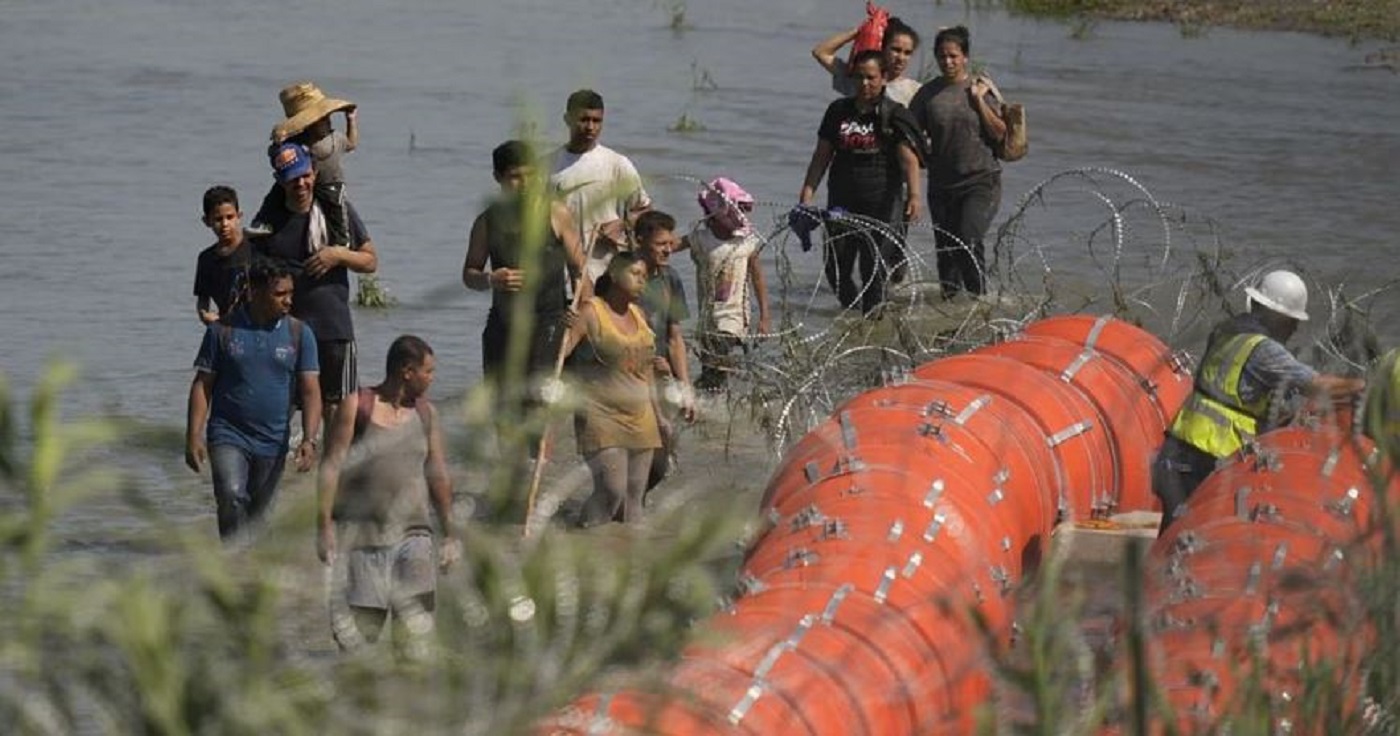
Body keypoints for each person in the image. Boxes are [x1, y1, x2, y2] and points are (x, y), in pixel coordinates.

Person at [1153, 270, 1365, 534]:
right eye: (1291, 320)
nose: (1296, 327)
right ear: (1277, 316)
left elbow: (1236, 394)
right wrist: (1367, 387)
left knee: (1174, 544)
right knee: (1192, 542)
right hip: (1200, 461)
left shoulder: (1227, 331)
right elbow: (1318, 386)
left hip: (1177, 453)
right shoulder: (1264, 351)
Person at [316, 335, 461, 657]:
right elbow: (331, 466)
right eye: (428, 371)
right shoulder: (357, 406)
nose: (432, 378)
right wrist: (324, 525)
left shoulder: (427, 415)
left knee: (414, 639)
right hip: (364, 538)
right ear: (407, 371)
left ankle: (409, 700)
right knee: (358, 641)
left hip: (415, 536)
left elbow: (438, 473)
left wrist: (450, 534)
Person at [185, 259, 321, 540]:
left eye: (290, 293)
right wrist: (193, 435)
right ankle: (233, 562)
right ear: (255, 292)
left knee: (260, 520)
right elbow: (202, 385)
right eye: (279, 294)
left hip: (273, 440)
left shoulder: (299, 334)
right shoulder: (222, 331)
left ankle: (247, 575)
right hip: (227, 434)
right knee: (232, 496)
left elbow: (310, 391)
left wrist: (309, 438)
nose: (288, 301)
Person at [253, 141, 379, 428]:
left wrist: (337, 254)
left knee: (337, 409)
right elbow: (253, 277)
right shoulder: (268, 221)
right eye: (292, 178)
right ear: (279, 181)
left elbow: (370, 261)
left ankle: (330, 470)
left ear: (313, 170)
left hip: (334, 328)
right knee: (279, 406)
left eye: (305, 175)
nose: (301, 183)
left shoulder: (336, 211)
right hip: (286, 331)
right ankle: (283, 470)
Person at [799, 51, 923, 315]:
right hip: (842, 201)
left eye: (871, 78)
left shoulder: (893, 114)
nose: (864, 84)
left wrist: (914, 196)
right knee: (837, 267)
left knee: (872, 269)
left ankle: (872, 324)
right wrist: (807, 195)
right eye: (859, 77)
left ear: (884, 78)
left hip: (882, 203)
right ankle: (852, 321)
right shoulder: (838, 112)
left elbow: (909, 160)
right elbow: (821, 156)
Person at [464, 139, 588, 402]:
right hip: (503, 326)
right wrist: (491, 279)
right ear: (498, 178)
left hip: (549, 324)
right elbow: (469, 275)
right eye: (515, 178)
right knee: (502, 411)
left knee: (540, 415)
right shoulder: (487, 222)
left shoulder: (556, 214)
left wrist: (577, 323)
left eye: (530, 176)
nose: (524, 185)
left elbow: (580, 271)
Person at [560, 251, 662, 525]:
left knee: (633, 502)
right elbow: (563, 354)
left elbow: (646, 369)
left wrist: (660, 415)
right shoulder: (591, 311)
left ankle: (631, 559)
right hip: (600, 413)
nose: (642, 281)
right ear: (615, 275)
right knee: (611, 492)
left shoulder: (639, 315)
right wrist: (561, 331)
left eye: (645, 276)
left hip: (641, 415)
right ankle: (581, 537)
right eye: (636, 274)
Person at [909, 25, 1007, 299]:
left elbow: (1000, 132)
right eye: (942, 56)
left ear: (965, 57)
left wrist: (979, 101)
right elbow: (908, 134)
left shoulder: (981, 88)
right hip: (941, 185)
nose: (947, 62)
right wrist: (920, 155)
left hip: (981, 180)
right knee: (947, 254)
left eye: (953, 55)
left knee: (968, 238)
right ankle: (951, 311)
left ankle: (981, 302)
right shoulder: (928, 95)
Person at [675, 178, 773, 391]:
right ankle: (710, 402)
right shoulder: (701, 239)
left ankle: (736, 374)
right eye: (736, 211)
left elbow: (758, 279)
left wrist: (765, 316)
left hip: (735, 316)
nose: (741, 217)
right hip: (708, 317)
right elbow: (668, 246)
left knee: (720, 350)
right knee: (711, 372)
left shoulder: (746, 243)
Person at [547, 89, 652, 283]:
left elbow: (645, 210)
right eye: (584, 119)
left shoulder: (616, 163)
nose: (590, 127)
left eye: (597, 121)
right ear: (567, 119)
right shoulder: (548, 165)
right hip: (558, 278)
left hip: (605, 274)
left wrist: (621, 224)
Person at [252, 82, 360, 249]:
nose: (327, 122)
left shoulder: (334, 138)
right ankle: (261, 222)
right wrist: (278, 142)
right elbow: (276, 154)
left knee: (337, 209)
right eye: (322, 119)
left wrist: (351, 120)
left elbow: (351, 144)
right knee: (274, 195)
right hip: (300, 180)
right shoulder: (296, 141)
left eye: (328, 117)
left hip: (330, 181)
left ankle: (342, 241)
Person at [634, 210, 697, 488]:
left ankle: (626, 513)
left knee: (662, 457)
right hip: (630, 378)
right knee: (636, 452)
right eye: (661, 244)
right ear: (639, 241)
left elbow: (674, 337)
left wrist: (685, 388)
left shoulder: (670, 279)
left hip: (660, 374)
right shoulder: (625, 277)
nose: (668, 250)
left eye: (670, 244)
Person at [811, 15, 923, 106]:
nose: (901, 58)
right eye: (896, 50)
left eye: (907, 53)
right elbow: (820, 52)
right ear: (882, 48)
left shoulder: (914, 91)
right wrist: (860, 31)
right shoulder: (860, 80)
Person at [193, 185, 252, 325]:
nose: (225, 224)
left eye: (230, 217)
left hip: (257, 324)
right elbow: (203, 298)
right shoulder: (206, 259)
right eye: (218, 219)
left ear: (239, 216)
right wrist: (204, 315)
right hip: (226, 326)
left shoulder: (256, 248)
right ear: (207, 221)